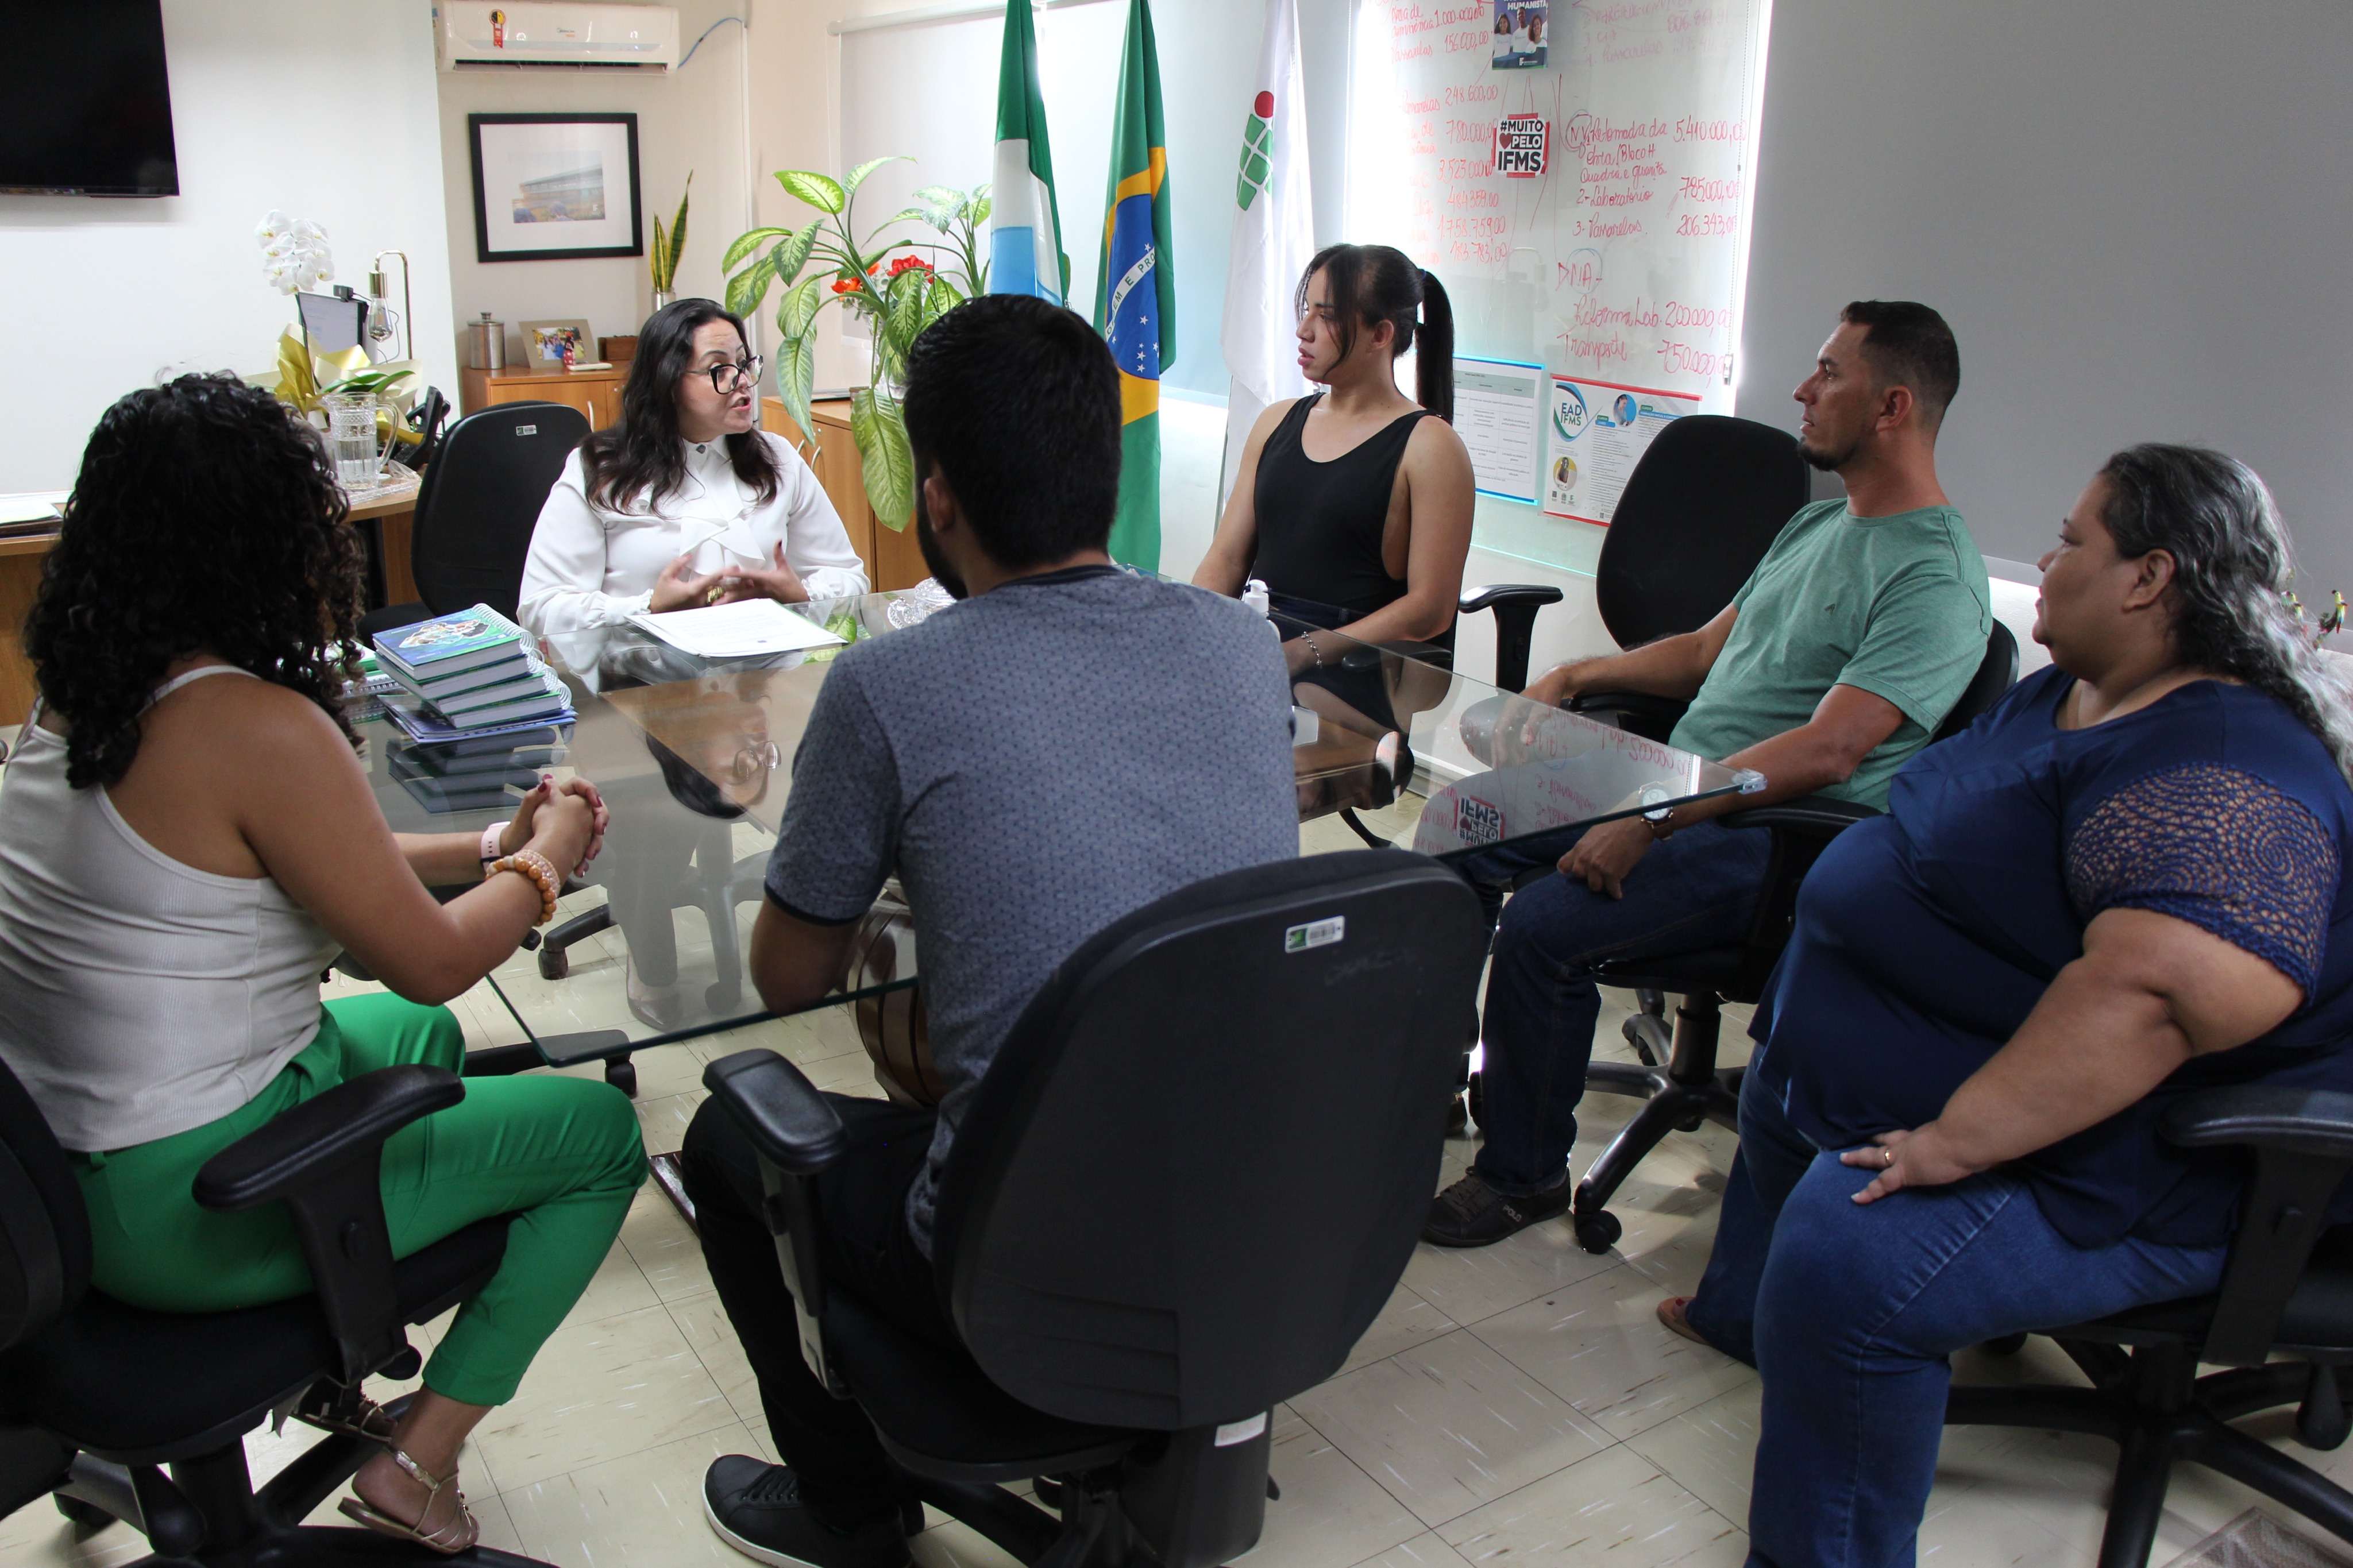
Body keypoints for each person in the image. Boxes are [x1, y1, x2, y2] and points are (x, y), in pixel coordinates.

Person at [678, 295, 1298, 1568]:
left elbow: (787, 976)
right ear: (1105, 472)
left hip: (1023, 1267)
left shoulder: (888, 683)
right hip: (1250, 1228)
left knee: (727, 1134)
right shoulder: (1246, 649)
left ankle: (850, 1511)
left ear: (938, 498)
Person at [1659, 445, 2353, 1567]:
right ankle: (1754, 1322)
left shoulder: (2225, 765)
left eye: (2073, 540)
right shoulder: (2072, 692)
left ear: (2148, 578)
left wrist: (1954, 1140)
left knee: (1849, 1260)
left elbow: (2167, 996)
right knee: (1788, 1073)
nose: (2046, 558)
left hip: (2154, 1157)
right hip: (1958, 1060)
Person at [0, 375, 646, 1556]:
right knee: (599, 1140)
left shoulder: (80, 694)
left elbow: (293, 861)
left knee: (423, 1054)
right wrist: (548, 857)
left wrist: (488, 847)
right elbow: (429, 962)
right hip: (184, 1208)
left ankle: (336, 1375)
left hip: (54, 1175)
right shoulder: (255, 726)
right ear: (270, 541)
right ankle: (416, 1462)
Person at [1425, 301, 1992, 1246]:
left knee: (1545, 925)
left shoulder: (1936, 579)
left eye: (1829, 374)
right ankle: (1433, 1077)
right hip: (1683, 785)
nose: (1803, 390)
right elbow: (1699, 654)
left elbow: (1830, 750)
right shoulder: (1815, 527)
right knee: (1460, 825)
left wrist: (1653, 816)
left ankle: (1522, 1173)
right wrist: (1576, 676)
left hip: (1776, 840)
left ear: (1892, 406)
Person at [1193, 244, 1475, 750]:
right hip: (1266, 648)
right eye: (1306, 311)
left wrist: (1305, 651)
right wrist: (1193, 628)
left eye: (1326, 316)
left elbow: (1430, 610)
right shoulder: (1276, 422)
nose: (1304, 331)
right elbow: (1228, 558)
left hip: (1355, 666)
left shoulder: (1431, 446)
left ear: (1380, 335)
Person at [518, 298, 869, 638]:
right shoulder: (600, 468)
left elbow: (850, 577)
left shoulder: (777, 457)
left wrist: (801, 597)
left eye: (744, 363)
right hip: (636, 671)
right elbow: (541, 610)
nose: (743, 381)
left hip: (767, 667)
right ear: (668, 383)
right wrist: (648, 608)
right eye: (719, 370)